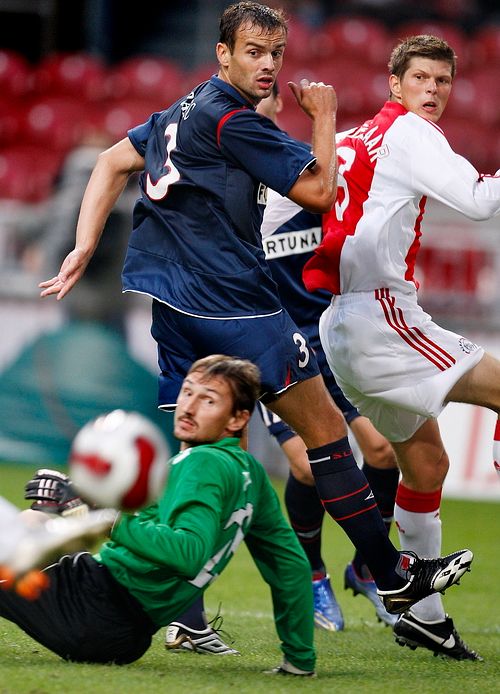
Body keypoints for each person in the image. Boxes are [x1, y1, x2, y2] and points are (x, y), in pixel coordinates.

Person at [38, 0, 473, 636]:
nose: (268, 65)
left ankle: (182, 612)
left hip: (170, 309)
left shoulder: (180, 111)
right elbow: (322, 192)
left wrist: (83, 243)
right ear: (223, 53)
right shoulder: (233, 122)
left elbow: (109, 162)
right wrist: (323, 117)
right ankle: (391, 576)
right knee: (327, 439)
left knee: (202, 457)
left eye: (276, 53)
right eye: (253, 52)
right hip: (234, 305)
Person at [303, 34, 498, 661]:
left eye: (442, 81)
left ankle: (426, 620)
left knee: (427, 465)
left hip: (342, 325)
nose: (433, 91)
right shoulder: (411, 134)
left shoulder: (355, 139)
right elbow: (475, 202)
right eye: (421, 78)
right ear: (396, 84)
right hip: (381, 316)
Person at [0, 355, 317, 676]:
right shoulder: (251, 474)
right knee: (31, 524)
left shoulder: (202, 462)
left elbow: (188, 553)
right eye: (187, 392)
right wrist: (299, 659)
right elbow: (289, 564)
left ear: (237, 419)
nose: (189, 407)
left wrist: (100, 515)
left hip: (93, 609)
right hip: (122, 629)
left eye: (208, 400)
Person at [255, 84, 399, 631]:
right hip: (274, 338)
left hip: (333, 334)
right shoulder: (234, 186)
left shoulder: (304, 171)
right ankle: (312, 575)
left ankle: (367, 566)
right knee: (306, 468)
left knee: (383, 451)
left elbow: (352, 227)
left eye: (264, 105)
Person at [0, 494, 116, 600]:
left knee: (20, 544)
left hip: (97, 596)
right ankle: (20, 546)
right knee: (34, 517)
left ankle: (18, 548)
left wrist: (106, 518)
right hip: (104, 577)